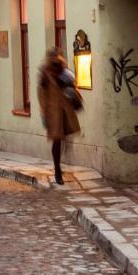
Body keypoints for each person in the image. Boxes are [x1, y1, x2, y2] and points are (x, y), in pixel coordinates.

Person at [37, 47, 81, 185]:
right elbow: (42, 94)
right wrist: (44, 113)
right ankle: (57, 170)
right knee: (57, 140)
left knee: (66, 136)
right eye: (54, 57)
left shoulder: (64, 71)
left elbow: (73, 87)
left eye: (58, 56)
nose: (56, 59)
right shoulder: (45, 74)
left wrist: (73, 92)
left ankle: (62, 158)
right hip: (53, 112)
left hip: (65, 110)